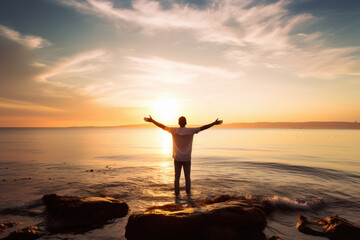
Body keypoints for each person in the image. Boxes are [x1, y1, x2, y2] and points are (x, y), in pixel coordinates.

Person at [144, 115, 222, 195]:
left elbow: (162, 126)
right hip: (187, 158)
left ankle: (177, 196)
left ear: (178, 123)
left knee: (176, 178)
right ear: (186, 123)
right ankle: (188, 195)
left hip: (177, 158)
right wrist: (214, 123)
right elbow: (203, 127)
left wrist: (153, 121)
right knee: (187, 178)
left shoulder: (174, 130)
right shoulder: (191, 130)